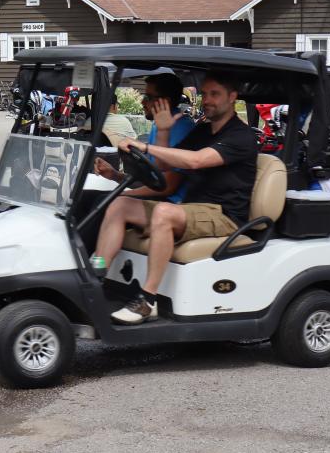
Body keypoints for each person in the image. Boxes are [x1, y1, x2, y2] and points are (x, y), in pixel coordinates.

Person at [94, 71, 258, 325]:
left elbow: (196, 161)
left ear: (232, 97)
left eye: (215, 94)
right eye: (205, 94)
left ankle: (148, 300)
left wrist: (144, 146)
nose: (208, 100)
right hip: (193, 209)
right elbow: (163, 166)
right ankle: (96, 276)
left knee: (163, 213)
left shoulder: (240, 136)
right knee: (120, 204)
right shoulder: (203, 131)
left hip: (224, 215)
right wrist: (162, 132)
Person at [93, 73, 196, 203]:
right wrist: (115, 175)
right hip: (157, 196)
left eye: (148, 97)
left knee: (99, 200)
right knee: (89, 197)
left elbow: (167, 187)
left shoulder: (182, 128)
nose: (142, 102)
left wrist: (121, 195)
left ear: (165, 101)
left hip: (170, 203)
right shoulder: (158, 125)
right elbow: (153, 180)